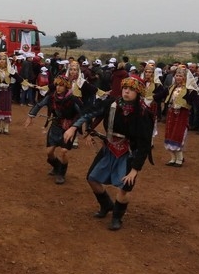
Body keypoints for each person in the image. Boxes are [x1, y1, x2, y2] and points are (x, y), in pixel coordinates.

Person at [63, 76, 154, 231]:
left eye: (132, 89)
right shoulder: (111, 103)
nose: (127, 91)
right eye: (125, 88)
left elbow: (144, 144)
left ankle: (117, 217)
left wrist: (135, 170)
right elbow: (89, 112)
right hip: (109, 148)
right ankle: (106, 205)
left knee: (125, 188)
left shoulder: (143, 113)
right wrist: (73, 127)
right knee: (92, 178)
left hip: (129, 153)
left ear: (138, 93)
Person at [24, 75, 83, 185]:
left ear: (66, 87)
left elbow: (82, 114)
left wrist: (74, 127)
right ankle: (57, 166)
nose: (58, 88)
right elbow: (39, 104)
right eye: (57, 85)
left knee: (64, 151)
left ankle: (61, 173)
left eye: (61, 85)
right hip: (56, 126)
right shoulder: (51, 97)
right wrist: (31, 116)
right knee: (49, 152)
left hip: (69, 128)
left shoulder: (73, 99)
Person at [157, 67, 199, 167]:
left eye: (180, 76)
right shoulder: (172, 87)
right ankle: (173, 158)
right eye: (177, 75)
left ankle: (179, 159)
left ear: (185, 77)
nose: (178, 77)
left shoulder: (190, 91)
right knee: (170, 135)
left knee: (178, 135)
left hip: (182, 115)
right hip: (171, 115)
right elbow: (159, 95)